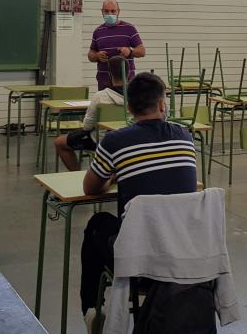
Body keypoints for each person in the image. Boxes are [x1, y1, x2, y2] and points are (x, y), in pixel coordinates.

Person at [78, 72, 198, 325]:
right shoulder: (185, 136)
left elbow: (90, 188)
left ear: (129, 108)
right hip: (187, 253)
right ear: (163, 104)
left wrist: (114, 173)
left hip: (139, 260)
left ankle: (92, 309)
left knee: (97, 223)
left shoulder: (115, 141)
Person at [53, 55, 127, 171]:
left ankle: (76, 174)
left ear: (109, 73)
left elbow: (87, 126)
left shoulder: (100, 96)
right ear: (128, 73)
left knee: (59, 142)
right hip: (127, 138)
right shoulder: (137, 95)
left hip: (102, 141)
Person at [88, 0, 145, 91]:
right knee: (105, 105)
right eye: (106, 11)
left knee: (126, 105)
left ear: (118, 11)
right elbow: (91, 54)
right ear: (102, 12)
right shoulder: (98, 31)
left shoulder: (129, 28)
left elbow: (142, 51)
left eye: (113, 11)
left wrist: (130, 51)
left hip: (126, 82)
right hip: (104, 82)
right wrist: (97, 55)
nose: (110, 14)